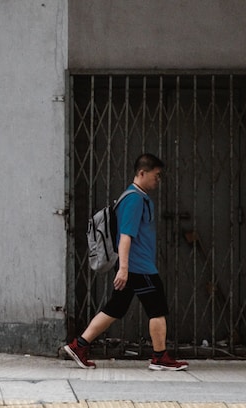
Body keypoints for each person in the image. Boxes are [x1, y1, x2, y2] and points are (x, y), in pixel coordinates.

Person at [62, 152, 189, 371]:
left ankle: (79, 345)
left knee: (115, 308)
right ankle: (159, 357)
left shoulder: (134, 197)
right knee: (157, 308)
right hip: (139, 267)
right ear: (142, 173)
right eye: (156, 175)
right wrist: (124, 268)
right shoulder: (134, 199)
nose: (158, 180)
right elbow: (126, 236)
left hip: (133, 266)